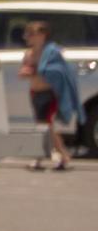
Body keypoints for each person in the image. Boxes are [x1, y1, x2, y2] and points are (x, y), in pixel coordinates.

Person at [22, 19, 80, 172]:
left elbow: (59, 72)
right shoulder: (28, 54)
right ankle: (54, 157)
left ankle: (58, 155)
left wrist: (42, 72)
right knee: (43, 126)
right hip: (35, 93)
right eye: (27, 34)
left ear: (42, 35)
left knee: (47, 126)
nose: (28, 37)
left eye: (32, 34)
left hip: (50, 93)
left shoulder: (52, 52)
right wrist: (27, 73)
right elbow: (23, 72)